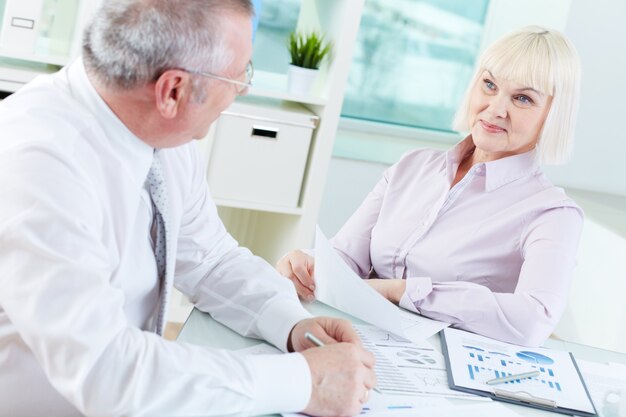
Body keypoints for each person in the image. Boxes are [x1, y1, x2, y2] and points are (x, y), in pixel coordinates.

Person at [0, 1, 376, 416]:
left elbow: (209, 259)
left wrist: (291, 324)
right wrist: (306, 381)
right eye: (238, 75)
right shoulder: (38, 166)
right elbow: (108, 371)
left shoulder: (160, 135)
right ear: (173, 90)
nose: (243, 89)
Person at [277, 26, 584, 348]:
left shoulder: (552, 213)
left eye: (523, 98)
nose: (495, 108)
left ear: (554, 114)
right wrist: (308, 266)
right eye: (489, 85)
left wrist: (401, 290)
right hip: (359, 338)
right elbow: (345, 257)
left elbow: (533, 320)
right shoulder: (413, 166)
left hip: (446, 364)